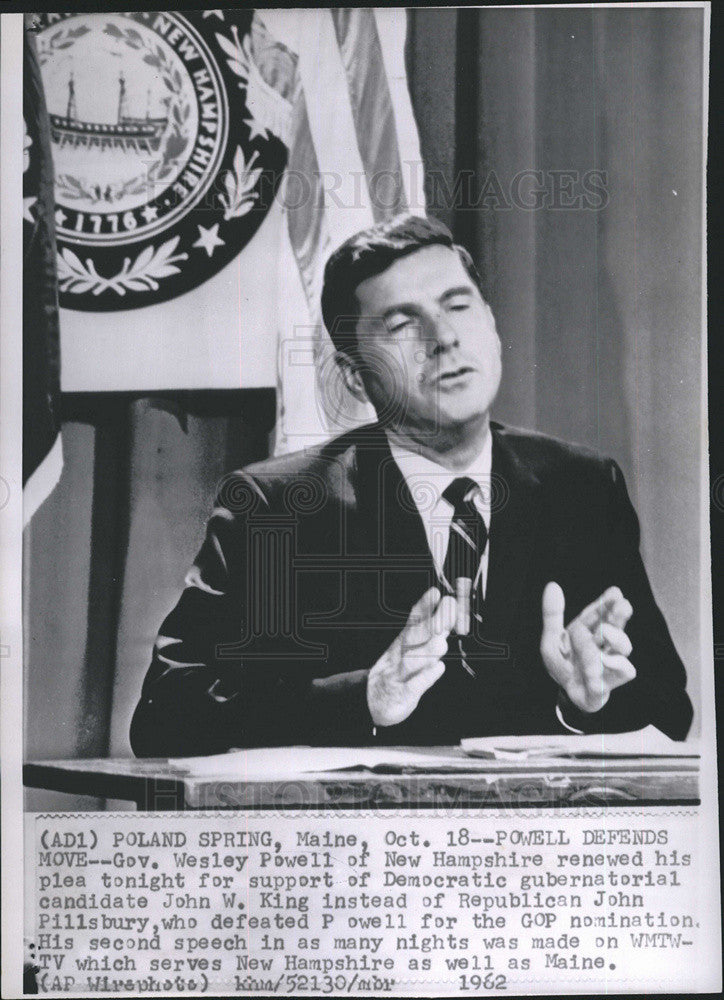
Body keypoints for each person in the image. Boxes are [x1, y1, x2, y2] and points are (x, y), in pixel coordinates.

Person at [130, 215, 693, 756]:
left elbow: (669, 712)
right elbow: (164, 716)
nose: (444, 337)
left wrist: (586, 705)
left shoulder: (582, 488)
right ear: (355, 374)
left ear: (492, 326)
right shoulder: (274, 506)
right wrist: (366, 699)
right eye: (402, 325)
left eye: (458, 306)